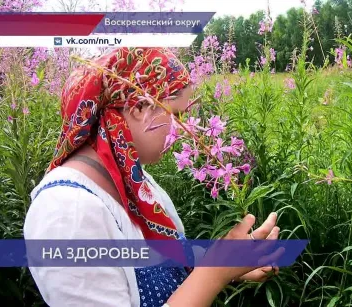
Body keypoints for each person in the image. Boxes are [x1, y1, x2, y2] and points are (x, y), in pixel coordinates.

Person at [23, 47, 280, 307]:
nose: (182, 131)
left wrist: (229, 264)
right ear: (139, 107)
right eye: (176, 114)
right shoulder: (66, 214)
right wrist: (214, 274)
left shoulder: (135, 180)